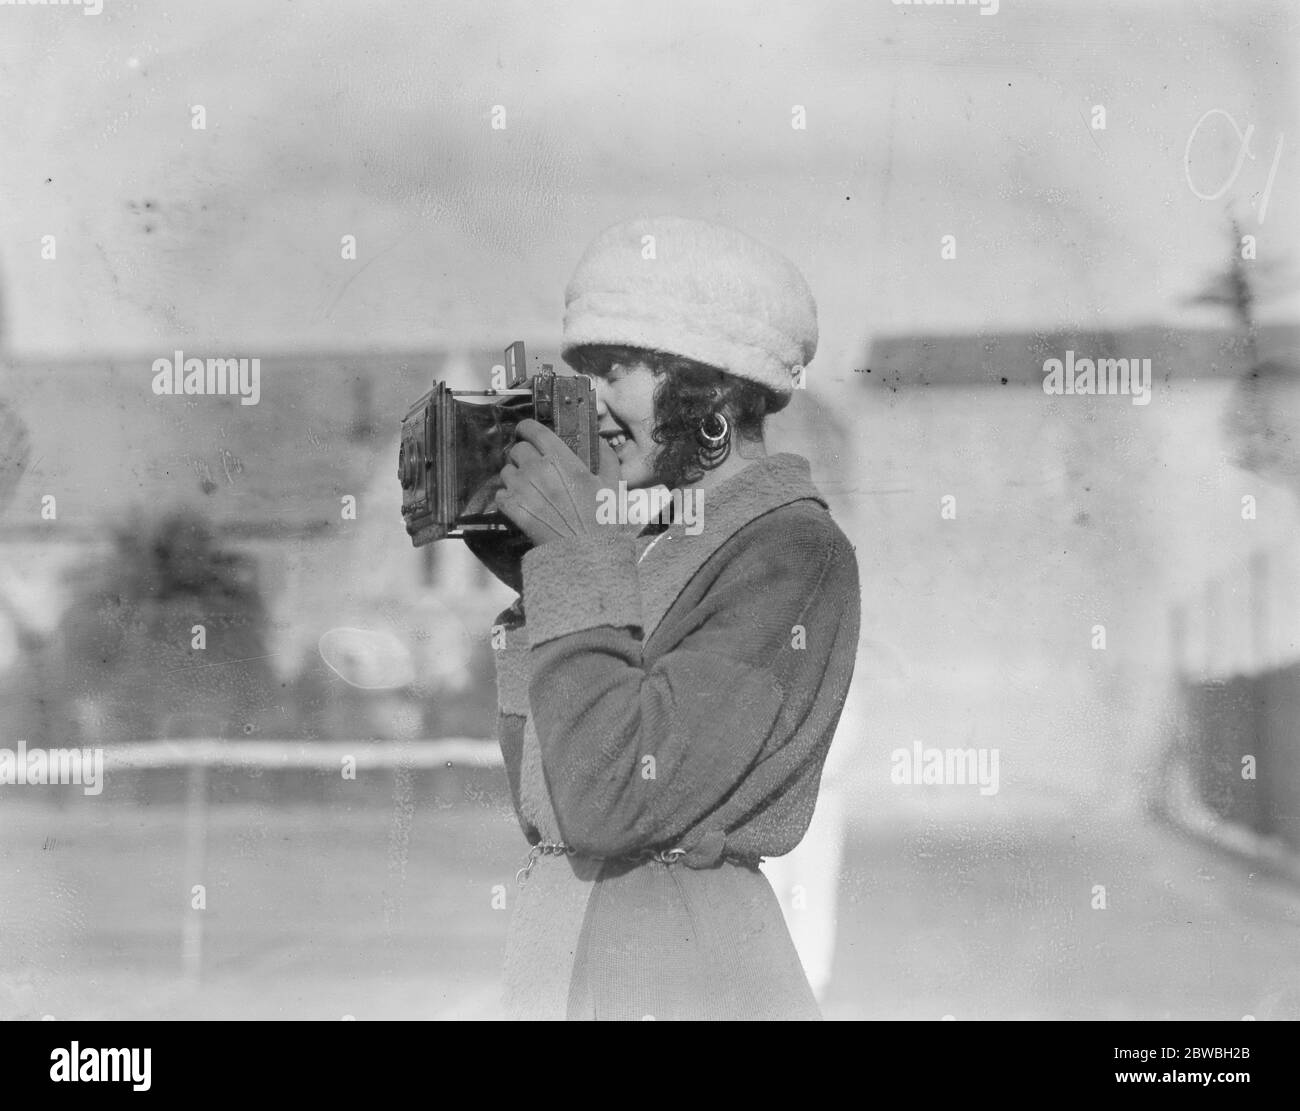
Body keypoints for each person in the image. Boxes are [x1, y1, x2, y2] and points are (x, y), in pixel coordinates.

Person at [467, 216, 861, 1020]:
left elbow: (610, 800)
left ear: (711, 387)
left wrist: (578, 564)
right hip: (572, 953)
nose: (592, 405)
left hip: (683, 969)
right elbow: (548, 804)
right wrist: (543, 586)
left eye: (617, 370)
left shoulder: (793, 552)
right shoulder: (647, 545)